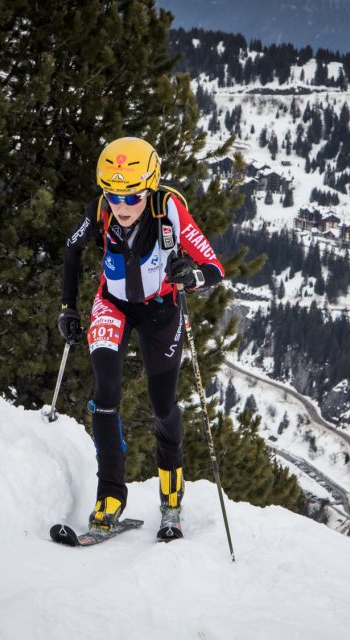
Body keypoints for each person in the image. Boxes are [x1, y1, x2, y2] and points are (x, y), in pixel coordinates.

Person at [57, 137, 225, 540]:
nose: (122, 205)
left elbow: (214, 266)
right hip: (111, 304)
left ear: (148, 187)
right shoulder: (100, 210)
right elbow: (71, 249)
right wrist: (68, 307)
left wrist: (193, 276)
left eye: (132, 195)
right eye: (113, 194)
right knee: (106, 394)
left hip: (161, 311)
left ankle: (171, 498)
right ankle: (110, 497)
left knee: (162, 404)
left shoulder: (168, 209)